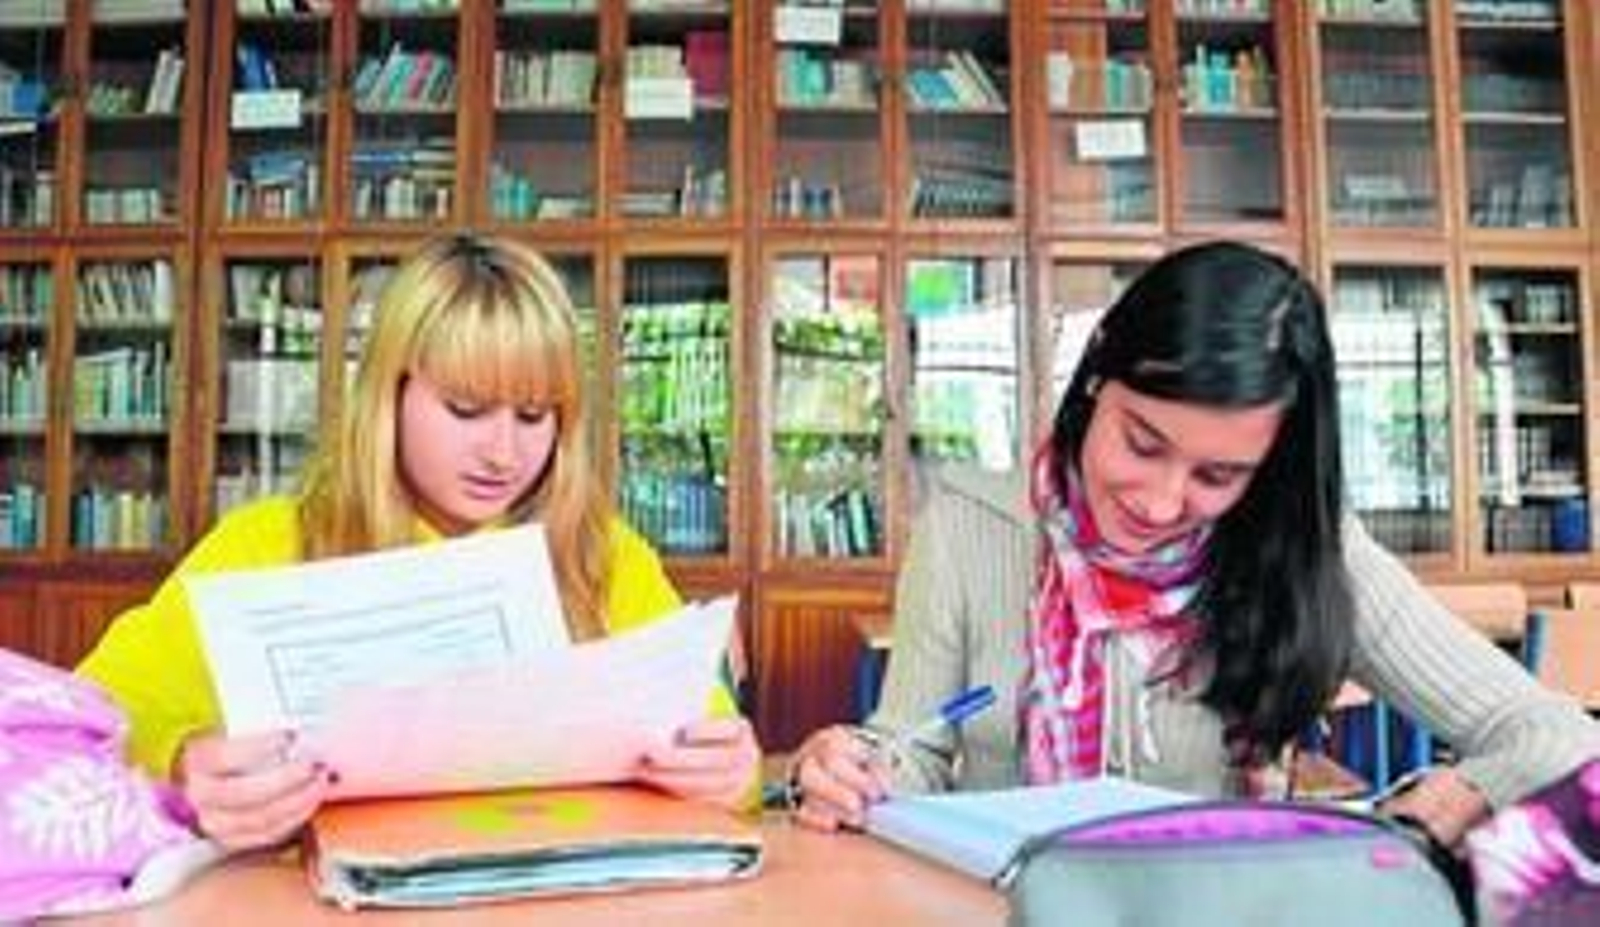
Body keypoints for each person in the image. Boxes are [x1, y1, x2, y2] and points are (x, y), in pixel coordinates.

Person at [789, 240, 1600, 847]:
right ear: (1097, 378)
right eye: (1141, 443)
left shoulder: (1308, 554)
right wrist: (853, 767)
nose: (1161, 500)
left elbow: (1558, 733)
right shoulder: (967, 528)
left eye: (1218, 473)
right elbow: (912, 748)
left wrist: (1460, 793)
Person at [77, 234, 760, 851]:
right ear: (389, 396)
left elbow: (729, 761)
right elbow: (79, 726)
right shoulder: (266, 544)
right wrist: (179, 763)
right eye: (466, 408)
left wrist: (729, 768)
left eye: (533, 414)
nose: (503, 451)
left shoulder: (604, 554)